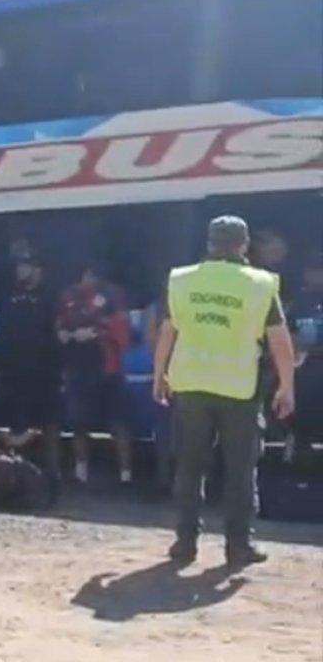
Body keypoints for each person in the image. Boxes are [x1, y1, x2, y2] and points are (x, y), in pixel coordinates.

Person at [153, 215, 296, 568]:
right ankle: (238, 546)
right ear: (244, 245)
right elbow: (280, 340)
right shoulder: (261, 284)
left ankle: (185, 543)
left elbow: (168, 332)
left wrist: (160, 374)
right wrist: (287, 386)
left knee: (189, 467)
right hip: (239, 389)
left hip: (190, 385)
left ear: (209, 244)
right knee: (240, 470)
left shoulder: (182, 280)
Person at [57, 263, 133, 484]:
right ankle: (81, 474)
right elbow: (60, 323)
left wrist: (95, 332)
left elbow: (122, 326)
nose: (86, 281)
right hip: (77, 368)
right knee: (78, 423)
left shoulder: (113, 294)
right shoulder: (68, 296)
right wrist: (65, 333)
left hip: (108, 367)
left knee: (119, 424)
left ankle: (126, 476)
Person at [0, 256, 62, 484]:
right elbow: (1, 331)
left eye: (26, 266)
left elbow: (57, 331)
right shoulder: (8, 298)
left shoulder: (51, 297)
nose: (21, 271)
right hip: (14, 372)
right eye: (19, 266)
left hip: (45, 372)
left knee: (49, 424)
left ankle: (53, 473)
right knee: (17, 425)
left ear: (39, 270)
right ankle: (19, 473)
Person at [287, 253, 323, 459]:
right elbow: (285, 332)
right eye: (314, 270)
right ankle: (298, 450)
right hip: (303, 370)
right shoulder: (298, 301)